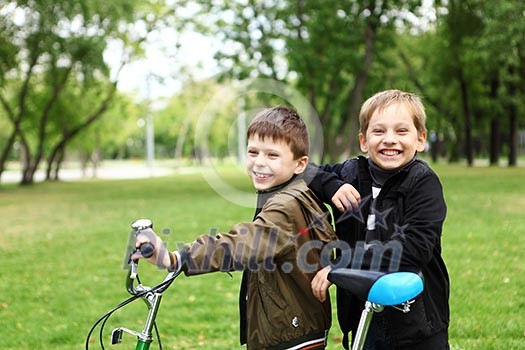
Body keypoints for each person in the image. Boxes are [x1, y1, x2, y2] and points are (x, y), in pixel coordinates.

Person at [132, 106, 337, 350]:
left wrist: (178, 258)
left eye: (272, 155)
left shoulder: (285, 204)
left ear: (300, 164)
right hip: (295, 327)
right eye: (253, 152)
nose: (259, 162)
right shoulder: (287, 193)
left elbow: (243, 243)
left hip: (290, 335)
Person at [307, 90, 450, 349]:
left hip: (417, 322)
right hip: (362, 315)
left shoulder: (422, 183)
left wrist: (343, 267)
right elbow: (302, 170)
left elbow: (414, 248)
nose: (389, 140)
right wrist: (332, 186)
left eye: (401, 131)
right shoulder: (351, 174)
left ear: (420, 139)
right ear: (363, 141)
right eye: (379, 131)